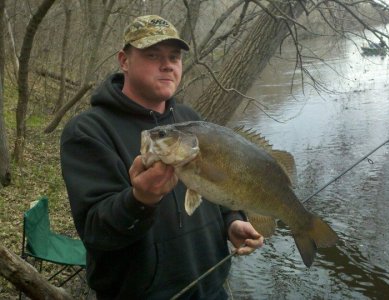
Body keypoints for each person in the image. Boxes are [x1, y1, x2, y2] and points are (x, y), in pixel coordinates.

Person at [60, 15, 263, 299]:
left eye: (174, 56)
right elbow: (96, 232)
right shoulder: (88, 131)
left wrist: (232, 220)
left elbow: (216, 184)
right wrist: (139, 201)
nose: (167, 64)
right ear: (124, 60)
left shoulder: (191, 119)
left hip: (212, 288)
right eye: (152, 55)